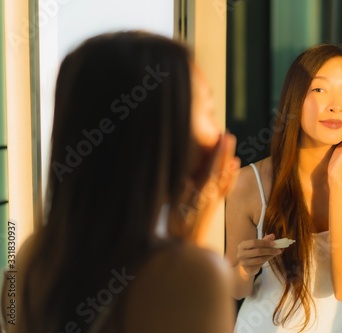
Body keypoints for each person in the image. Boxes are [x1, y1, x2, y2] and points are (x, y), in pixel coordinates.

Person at [1, 31, 239, 333]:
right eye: (208, 111)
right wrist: (191, 244)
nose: (222, 133)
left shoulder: (31, 258)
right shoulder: (197, 275)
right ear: (159, 134)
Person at [225, 44, 342, 332]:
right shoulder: (248, 181)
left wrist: (336, 177)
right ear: (294, 100)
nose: (335, 105)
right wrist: (245, 267)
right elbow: (236, 288)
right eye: (319, 90)